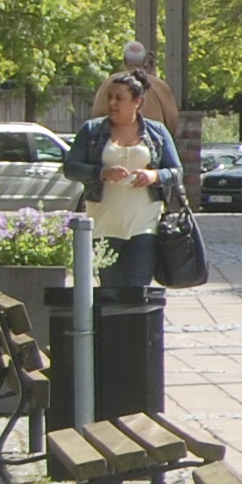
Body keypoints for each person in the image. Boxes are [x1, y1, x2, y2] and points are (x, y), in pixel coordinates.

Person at [65, 71, 182, 299]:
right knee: (109, 292)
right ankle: (110, 335)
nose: (112, 103)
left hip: (144, 225)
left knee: (137, 292)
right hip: (103, 225)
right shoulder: (92, 131)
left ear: (138, 102)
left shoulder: (157, 133)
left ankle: (136, 335)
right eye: (110, 97)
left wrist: (154, 176)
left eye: (119, 98)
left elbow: (176, 171)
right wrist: (101, 173)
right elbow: (70, 168)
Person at [122, 40, 184, 138]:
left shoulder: (109, 84)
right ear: (143, 61)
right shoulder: (159, 86)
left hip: (116, 142)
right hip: (153, 141)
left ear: (124, 60)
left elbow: (97, 115)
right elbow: (172, 120)